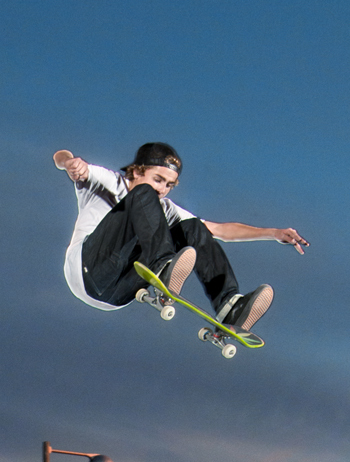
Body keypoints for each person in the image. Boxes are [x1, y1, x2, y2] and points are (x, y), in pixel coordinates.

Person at [58, 142, 308, 334]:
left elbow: (219, 231)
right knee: (143, 197)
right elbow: (61, 158)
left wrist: (272, 233)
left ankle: (230, 306)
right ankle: (162, 264)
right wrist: (71, 163)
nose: (162, 190)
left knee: (193, 226)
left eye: (169, 185)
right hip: (88, 270)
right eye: (158, 179)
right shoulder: (108, 181)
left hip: (118, 296)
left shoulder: (163, 207)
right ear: (135, 171)